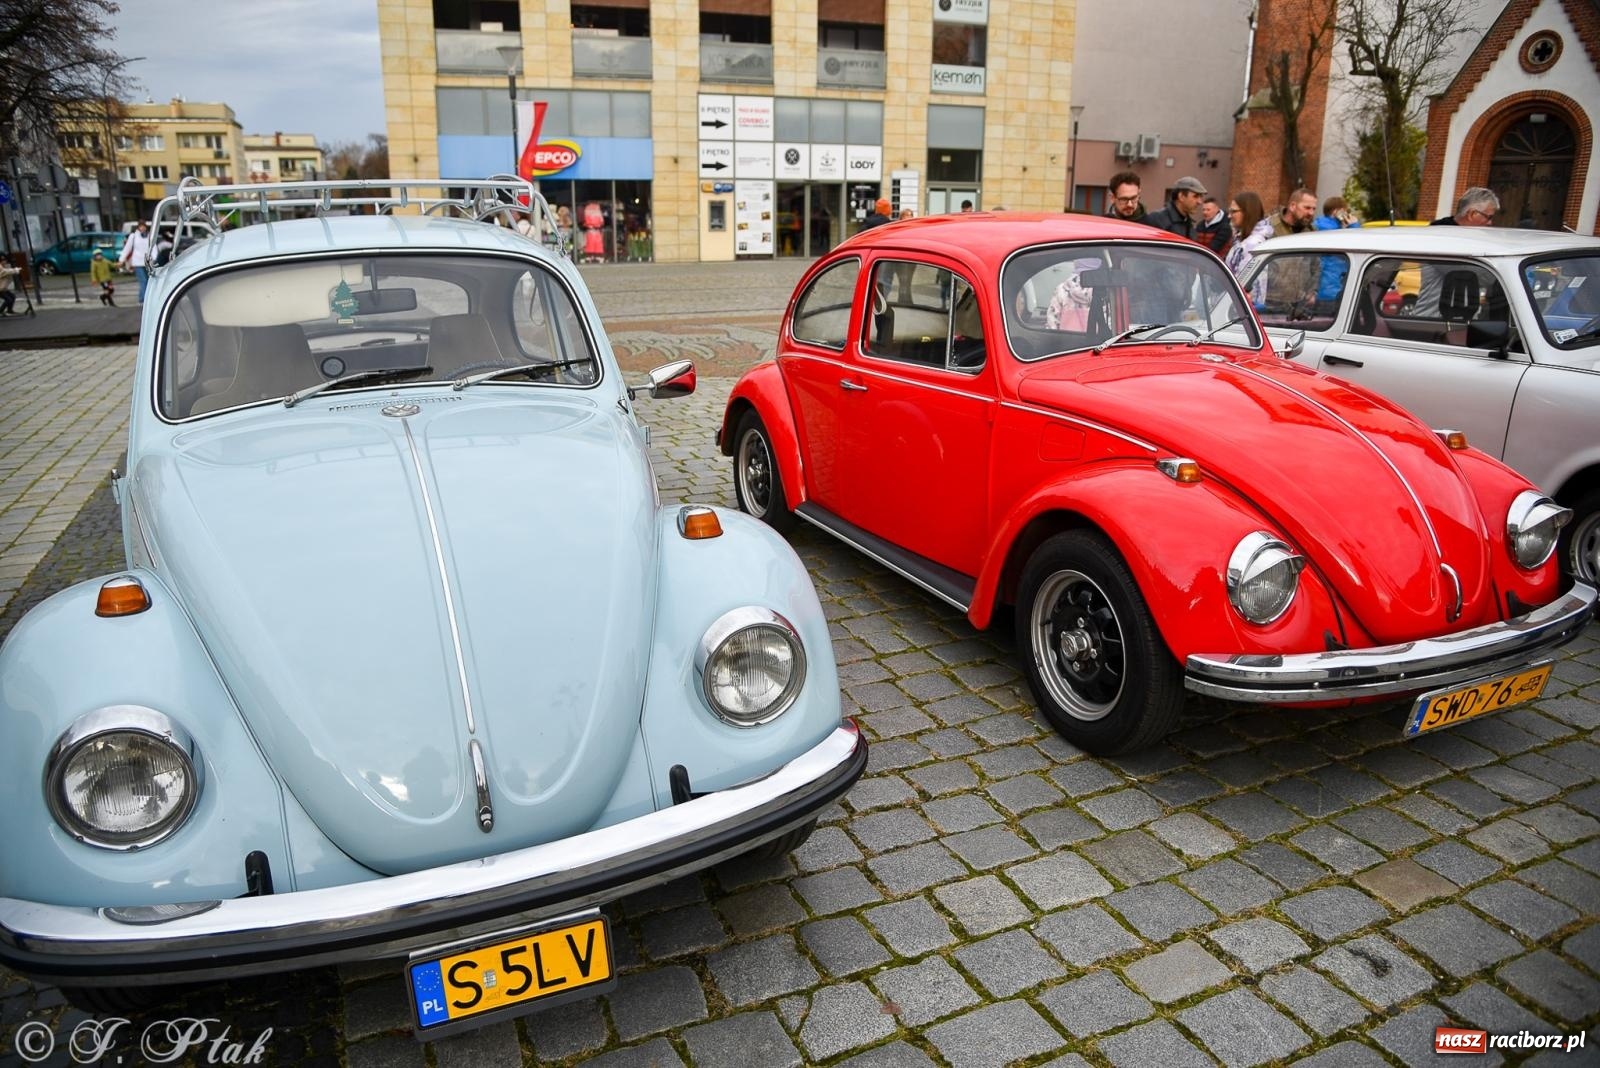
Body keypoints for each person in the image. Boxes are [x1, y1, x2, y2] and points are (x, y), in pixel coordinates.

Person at [1412, 188, 1500, 316]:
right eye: (1488, 217)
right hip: (1433, 324)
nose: (1490, 223)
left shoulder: (1467, 239)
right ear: (1472, 214)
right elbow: (1478, 276)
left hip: (1461, 322)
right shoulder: (1439, 238)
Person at [1313, 196, 1358, 313]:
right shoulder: (1335, 232)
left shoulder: (1318, 225)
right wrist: (1354, 225)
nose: (1347, 214)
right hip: (1332, 291)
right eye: (1345, 211)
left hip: (1321, 290)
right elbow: (1359, 243)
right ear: (1337, 211)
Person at [1224, 191, 1273, 282]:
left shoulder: (1252, 245)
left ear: (1247, 212)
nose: (1229, 216)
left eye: (1233, 211)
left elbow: (1244, 284)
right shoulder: (1242, 241)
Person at [1144, 176, 1207, 241]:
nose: (1200, 202)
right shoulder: (1157, 219)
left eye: (1201, 197)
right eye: (1195, 196)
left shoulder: (1188, 224)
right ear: (1181, 196)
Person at [118, 220, 153, 302]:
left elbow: (153, 247)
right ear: (138, 227)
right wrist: (121, 260)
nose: (142, 228)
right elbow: (127, 248)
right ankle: (143, 299)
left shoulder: (149, 236)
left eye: (144, 226)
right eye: (141, 226)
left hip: (147, 262)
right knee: (143, 281)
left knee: (148, 281)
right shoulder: (133, 236)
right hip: (137, 262)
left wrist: (154, 258)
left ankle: (143, 297)